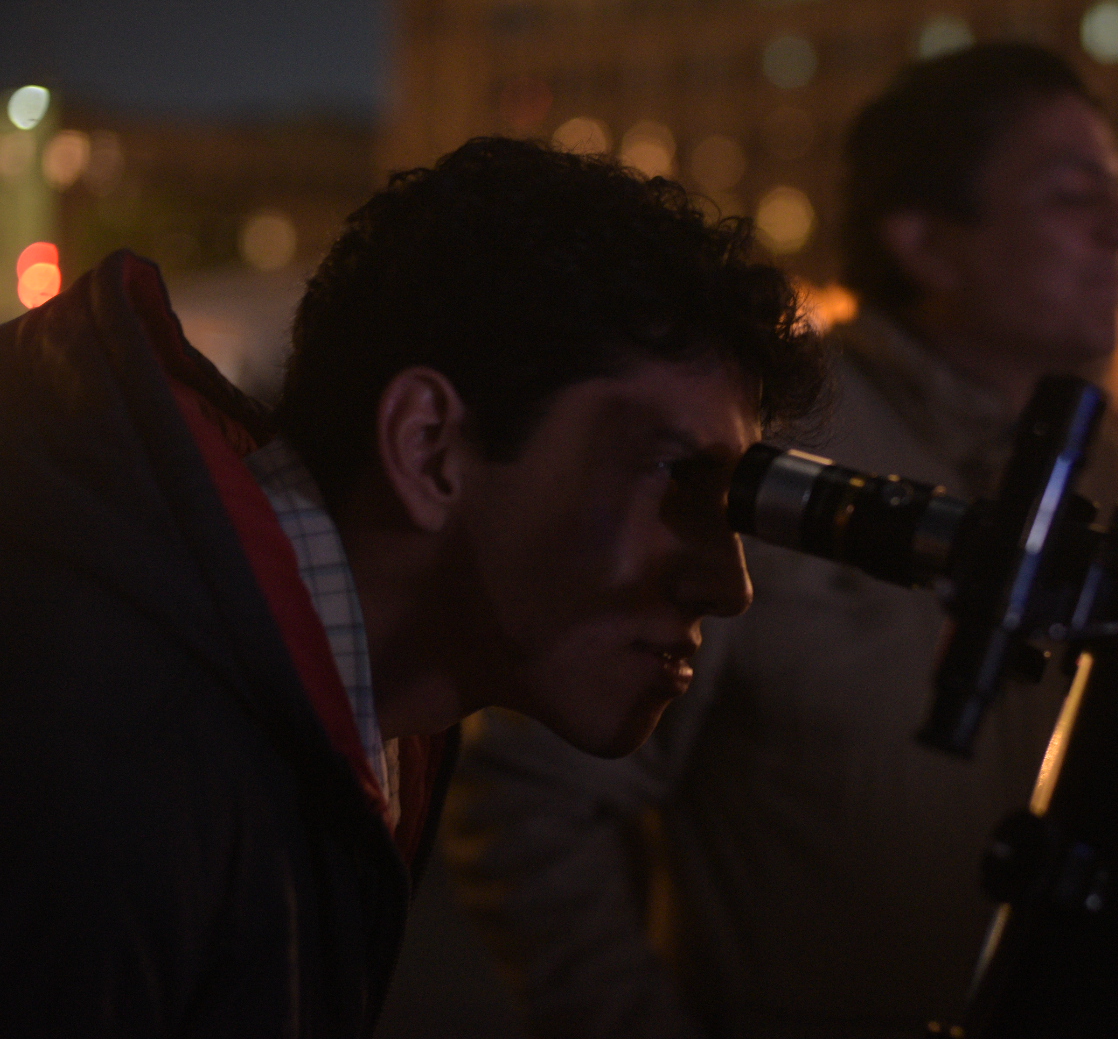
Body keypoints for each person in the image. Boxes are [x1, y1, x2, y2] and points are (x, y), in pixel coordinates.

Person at [0, 137, 822, 1037]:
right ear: (428, 446)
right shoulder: (106, 768)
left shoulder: (311, 723)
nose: (730, 585)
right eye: (672, 476)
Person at [442, 43, 1118, 1038]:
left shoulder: (1113, 477)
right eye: (1076, 197)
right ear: (924, 242)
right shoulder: (770, 455)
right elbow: (527, 793)